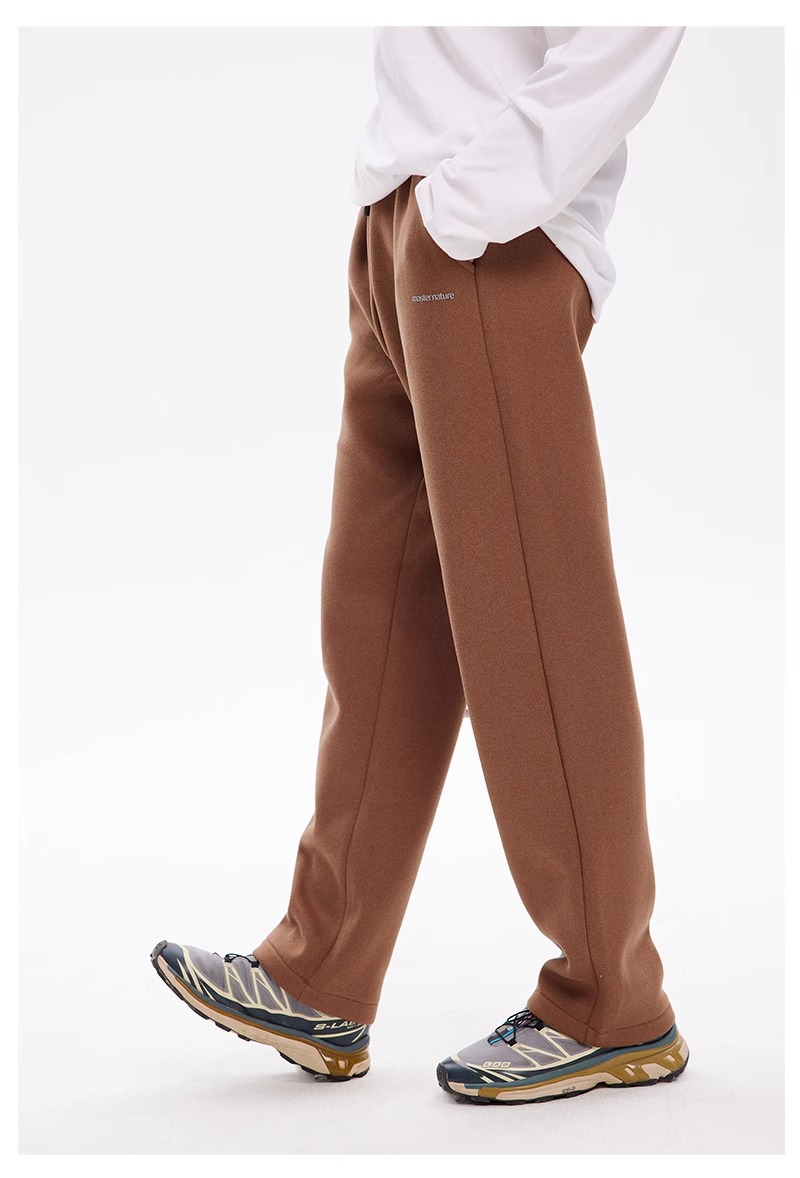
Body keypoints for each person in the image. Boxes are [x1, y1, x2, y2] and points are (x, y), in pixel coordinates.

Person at [152, 25, 690, 1106]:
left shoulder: (477, 209)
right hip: (401, 224)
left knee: (532, 619)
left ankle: (610, 996)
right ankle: (319, 967)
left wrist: (470, 203)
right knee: (379, 622)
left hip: (489, 233)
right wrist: (400, 217)